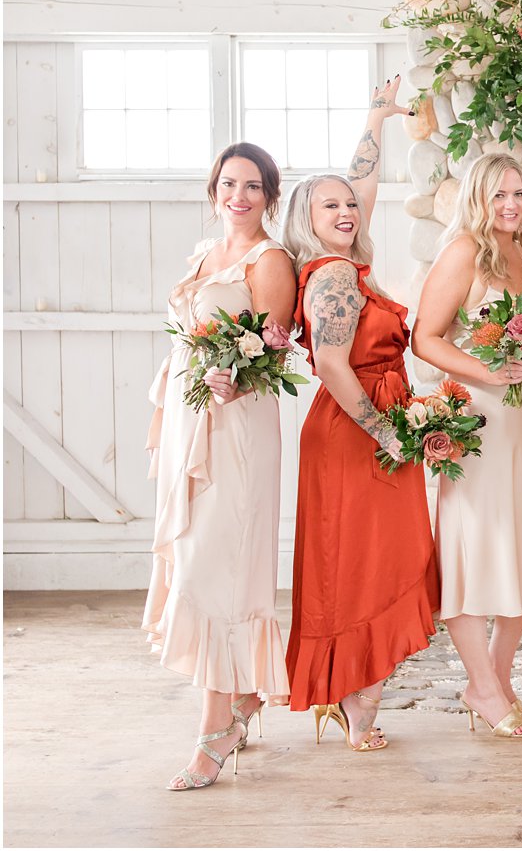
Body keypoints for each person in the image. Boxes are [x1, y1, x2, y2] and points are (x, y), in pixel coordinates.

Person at [282, 76, 440, 752]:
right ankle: (357, 706)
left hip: (370, 419)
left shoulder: (343, 258)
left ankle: (356, 698)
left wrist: (377, 119)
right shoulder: (335, 278)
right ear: (306, 219)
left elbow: (362, 184)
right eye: (330, 205)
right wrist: (391, 433)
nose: (347, 210)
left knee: (368, 559)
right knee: (367, 563)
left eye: (350, 203)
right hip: (358, 428)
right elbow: (337, 367)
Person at [145, 143, 296, 790]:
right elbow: (184, 342)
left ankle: (215, 730)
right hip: (190, 422)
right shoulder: (206, 256)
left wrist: (233, 378)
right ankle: (241, 698)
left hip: (236, 428)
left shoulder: (271, 260)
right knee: (197, 560)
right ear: (214, 191)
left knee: (221, 569)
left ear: (269, 196)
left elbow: (273, 344)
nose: (239, 195)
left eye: (253, 186)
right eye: (229, 184)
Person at [412, 154, 522, 739]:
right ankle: (483, 682)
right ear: (477, 196)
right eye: (500, 194)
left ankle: (492, 681)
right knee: (476, 551)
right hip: (481, 420)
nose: (511, 204)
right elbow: (424, 338)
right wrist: (482, 370)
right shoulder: (462, 255)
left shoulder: (521, 256)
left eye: (520, 194)